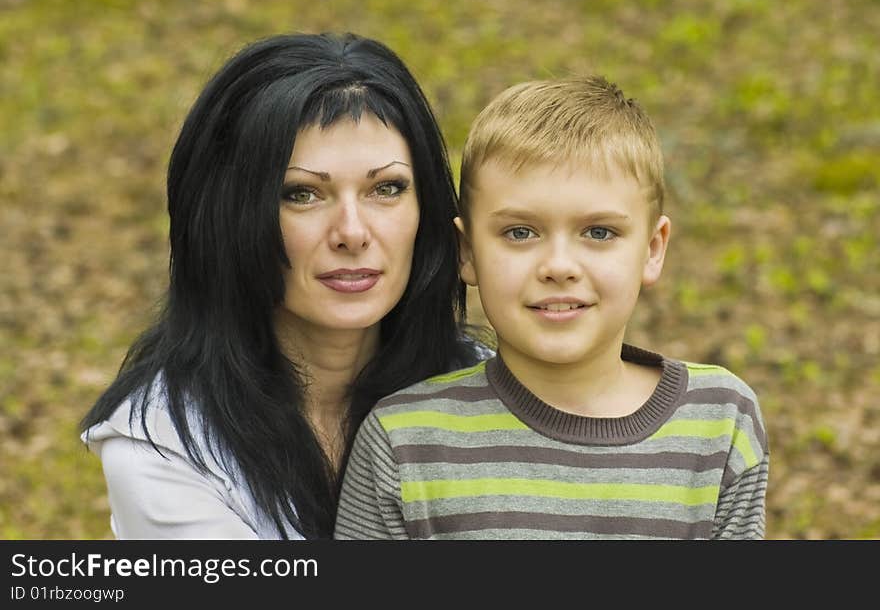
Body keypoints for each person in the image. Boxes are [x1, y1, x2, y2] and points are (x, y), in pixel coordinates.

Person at [80, 32, 491, 540]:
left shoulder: (495, 394)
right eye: (302, 194)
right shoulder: (163, 448)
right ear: (230, 217)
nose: (353, 232)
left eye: (386, 188)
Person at [334, 76, 769, 540]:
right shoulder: (404, 442)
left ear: (652, 248)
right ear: (467, 252)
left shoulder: (719, 421)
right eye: (520, 232)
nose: (559, 266)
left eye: (599, 232)